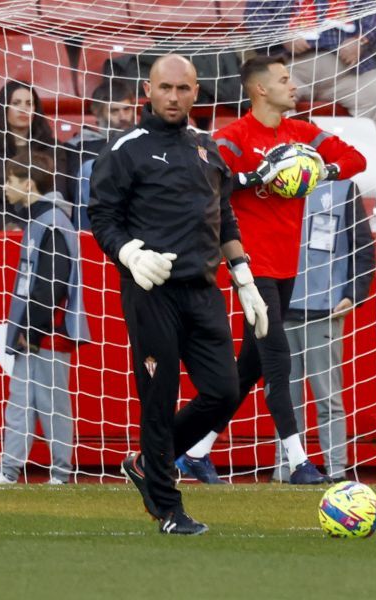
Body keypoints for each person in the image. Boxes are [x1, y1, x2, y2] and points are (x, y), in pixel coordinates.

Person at [88, 54, 268, 535]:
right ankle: (169, 507)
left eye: (183, 89)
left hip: (205, 290)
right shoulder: (125, 150)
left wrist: (243, 274)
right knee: (159, 396)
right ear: (148, 91)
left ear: (196, 92)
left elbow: (224, 215)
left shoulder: (207, 149)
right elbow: (102, 218)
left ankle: (150, 462)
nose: (173, 97)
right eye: (165, 88)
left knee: (224, 391)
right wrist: (128, 253)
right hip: (152, 292)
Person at [175, 54, 366, 485]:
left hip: (286, 267)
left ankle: (194, 452)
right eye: (284, 79)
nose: (293, 85)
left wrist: (322, 169)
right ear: (260, 89)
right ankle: (299, 462)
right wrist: (257, 177)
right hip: (249, 267)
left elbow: (356, 160)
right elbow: (208, 181)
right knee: (279, 358)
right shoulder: (233, 136)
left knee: (251, 367)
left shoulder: (301, 135)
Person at [0, 152, 89, 485]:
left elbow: (53, 284)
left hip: (48, 332)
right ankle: (8, 471)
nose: (4, 186)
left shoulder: (52, 222)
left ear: (28, 183)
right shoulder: (41, 219)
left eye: (10, 179)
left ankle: (61, 474)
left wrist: (31, 330)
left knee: (52, 402)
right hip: (34, 330)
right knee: (21, 399)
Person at [271, 180, 374, 483]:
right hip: (281, 309)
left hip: (324, 310)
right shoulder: (270, 187)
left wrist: (354, 293)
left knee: (327, 398)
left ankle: (337, 472)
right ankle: (284, 470)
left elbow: (364, 247)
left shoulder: (342, 188)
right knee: (285, 398)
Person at [245, 0, 376, 131]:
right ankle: (291, 157)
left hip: (346, 69)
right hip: (291, 68)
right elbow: (254, 16)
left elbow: (375, 17)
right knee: (269, 95)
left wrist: (361, 41)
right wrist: (283, 35)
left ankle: (357, 156)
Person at [0, 81, 64, 230]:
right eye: (16, 103)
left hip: (44, 228)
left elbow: (59, 195)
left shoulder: (53, 148)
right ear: (4, 108)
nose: (24, 109)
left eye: (29, 103)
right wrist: (9, 226)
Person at [62, 79, 137, 229]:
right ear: (97, 113)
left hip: (137, 219)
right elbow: (75, 190)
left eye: (127, 109)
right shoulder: (80, 146)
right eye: (114, 111)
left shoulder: (144, 141)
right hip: (95, 225)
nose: (123, 117)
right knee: (89, 169)